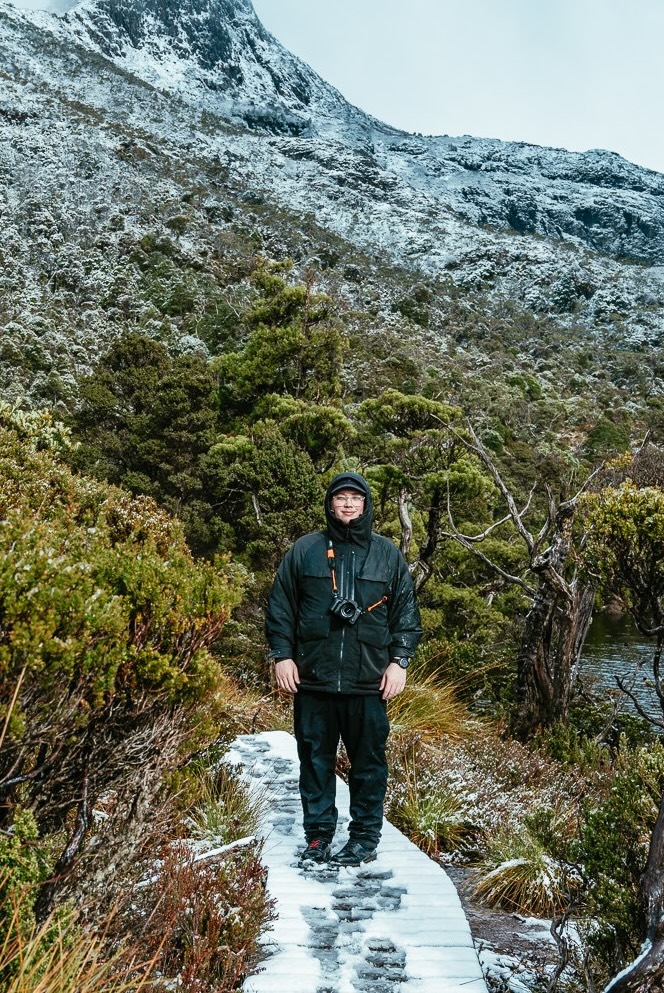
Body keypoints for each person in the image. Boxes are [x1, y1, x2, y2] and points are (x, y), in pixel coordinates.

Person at [265, 471, 422, 866]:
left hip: (368, 681)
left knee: (369, 765)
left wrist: (399, 661)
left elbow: (406, 613)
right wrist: (282, 656)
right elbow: (281, 607)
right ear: (330, 504)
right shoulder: (305, 550)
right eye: (341, 497)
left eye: (355, 497)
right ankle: (318, 837)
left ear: (366, 504)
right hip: (313, 679)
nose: (348, 503)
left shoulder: (388, 554)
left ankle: (364, 838)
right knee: (315, 761)